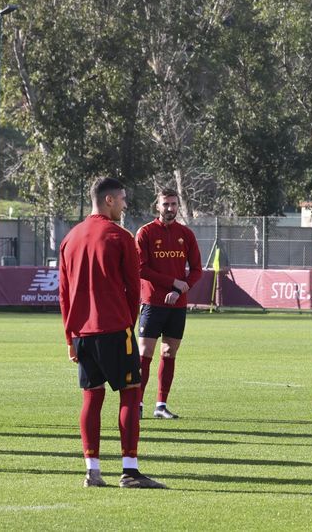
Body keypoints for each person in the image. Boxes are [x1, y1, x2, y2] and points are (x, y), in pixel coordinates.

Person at [58, 177, 166, 489]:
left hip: (82, 333)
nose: (125, 205)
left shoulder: (70, 238)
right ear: (109, 201)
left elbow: (64, 295)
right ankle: (130, 471)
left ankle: (92, 470)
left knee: (91, 397)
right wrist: (128, 325)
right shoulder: (120, 236)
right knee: (131, 395)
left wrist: (70, 337)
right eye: (122, 199)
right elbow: (135, 290)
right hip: (115, 329)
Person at [135, 188, 203, 420]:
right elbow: (141, 268)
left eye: (173, 204)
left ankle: (161, 405)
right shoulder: (145, 233)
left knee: (169, 352)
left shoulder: (186, 234)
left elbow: (196, 270)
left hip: (177, 305)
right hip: (153, 302)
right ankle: (137, 402)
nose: (170, 208)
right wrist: (172, 282)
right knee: (145, 353)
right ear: (158, 206)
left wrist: (180, 288)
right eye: (166, 204)